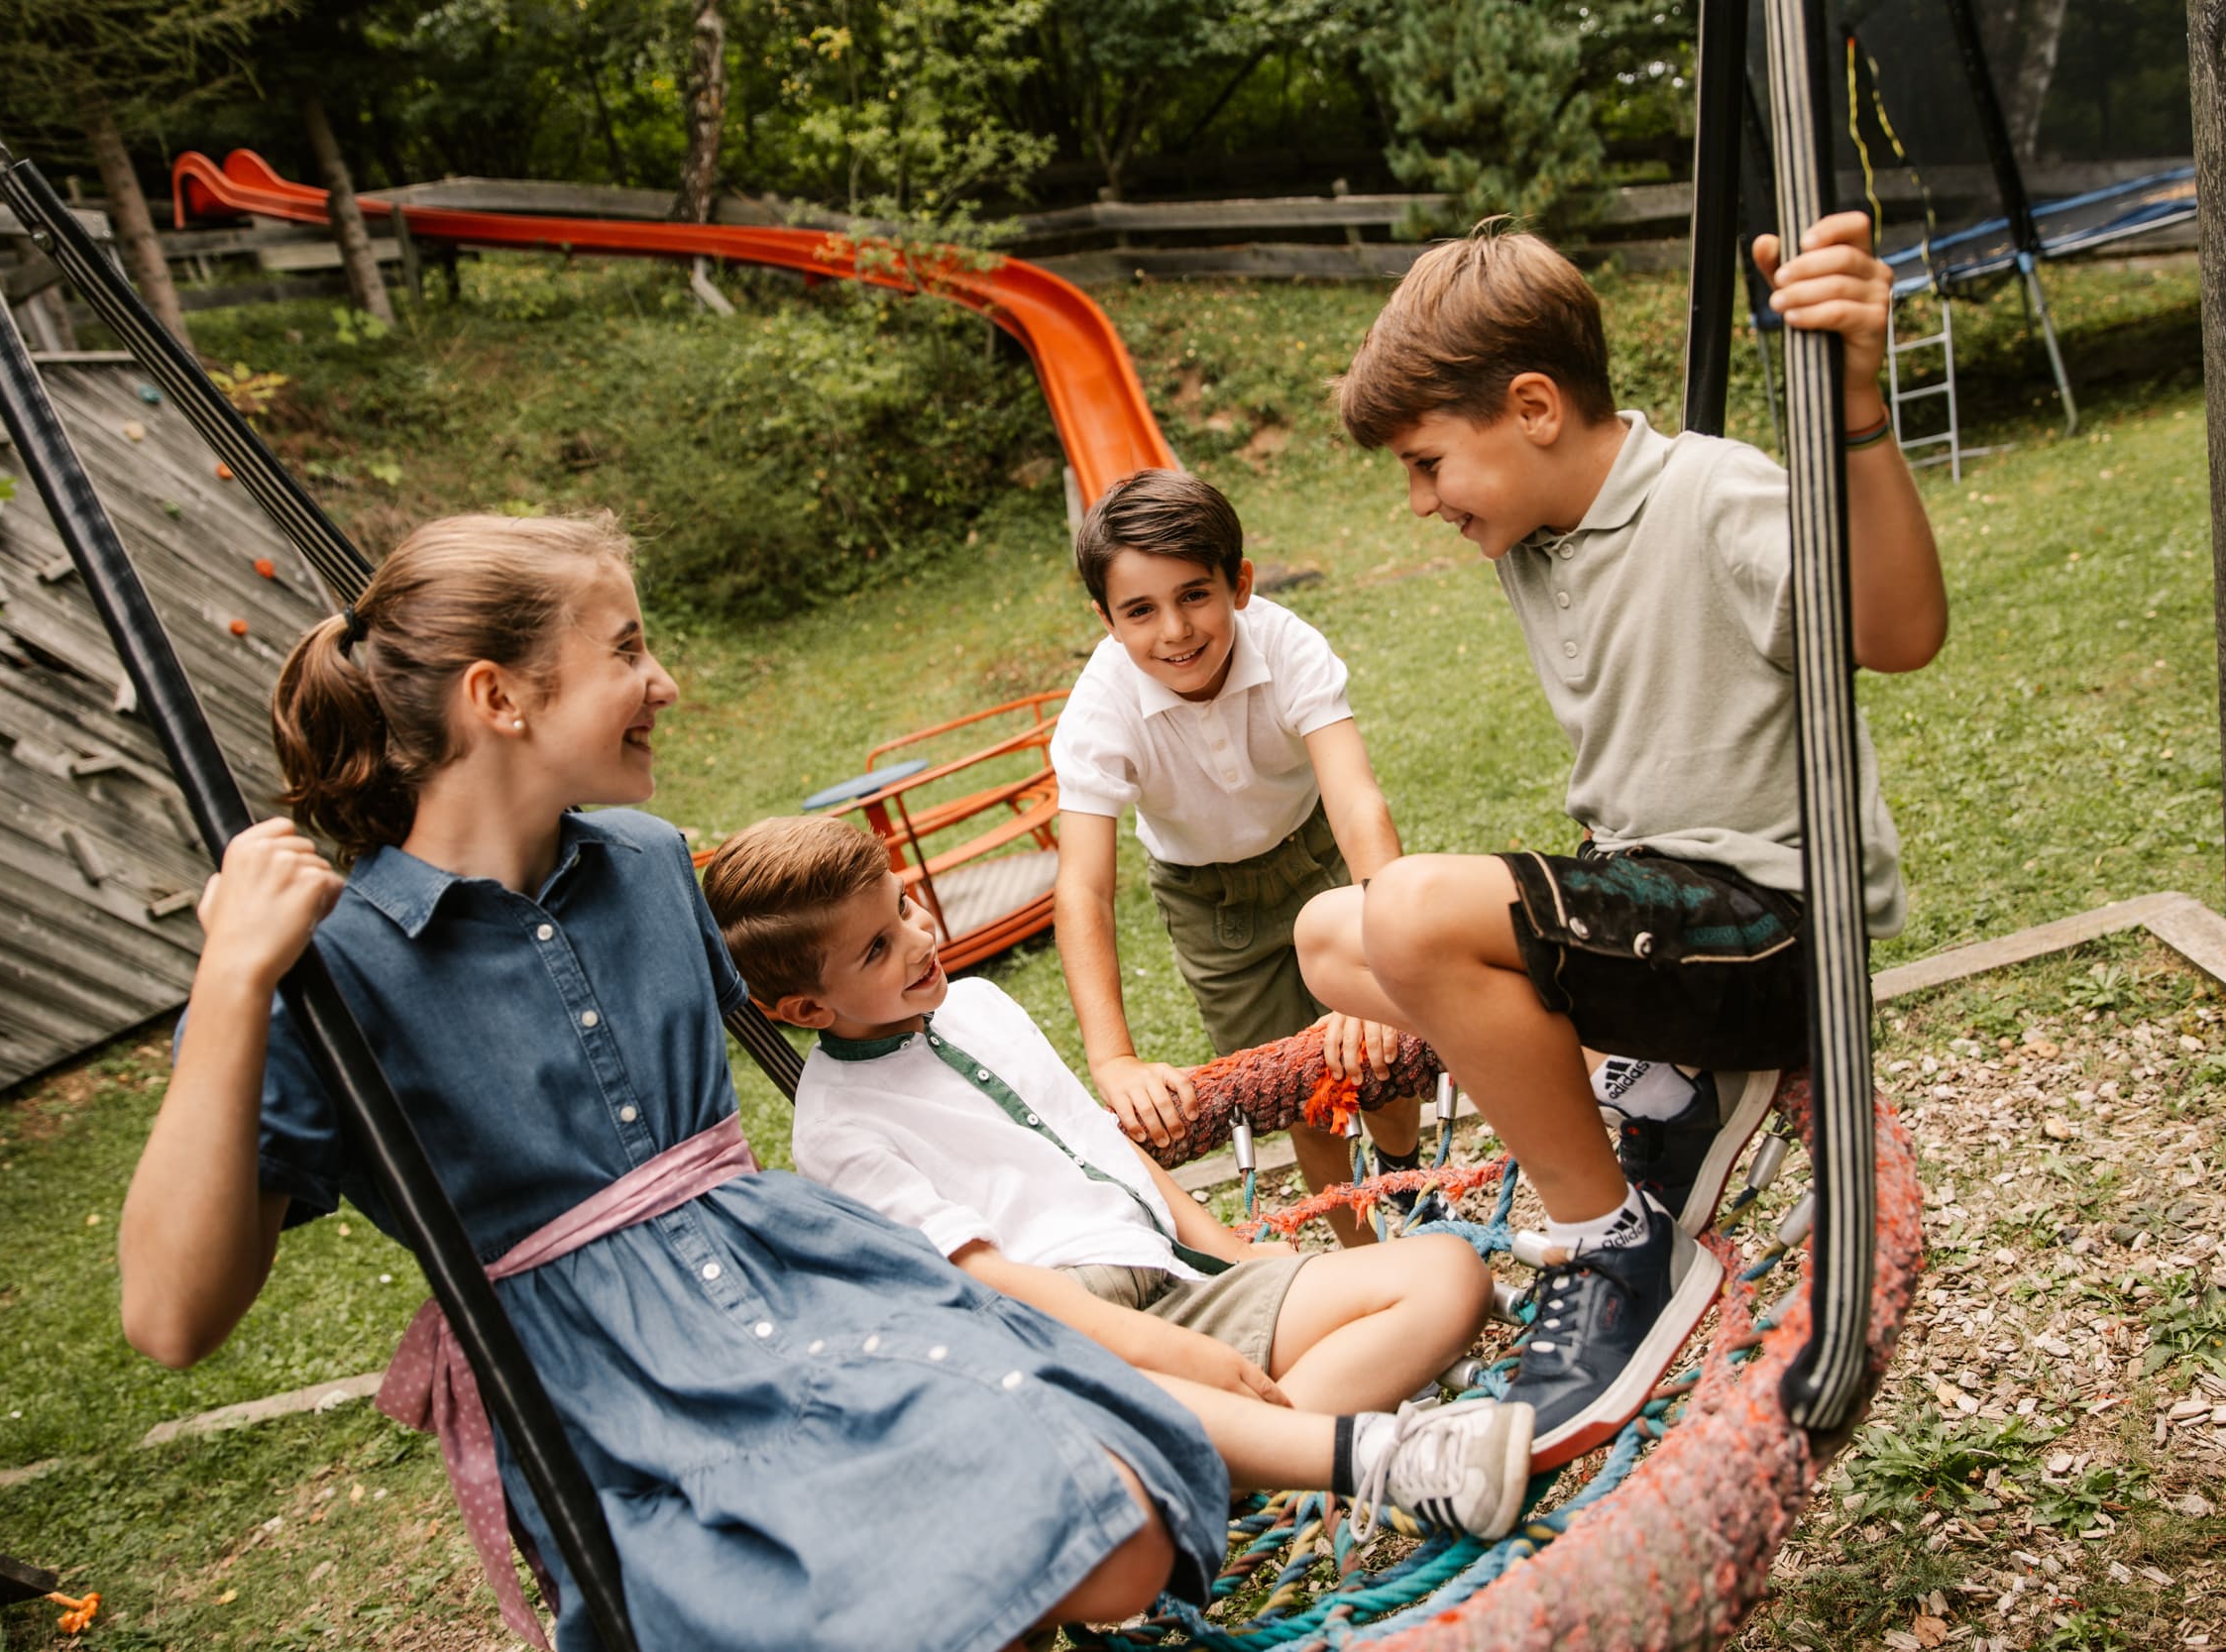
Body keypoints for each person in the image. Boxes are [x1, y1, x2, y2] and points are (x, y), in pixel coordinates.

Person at [115, 513, 1524, 1652]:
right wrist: (233, 984)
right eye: (626, 648)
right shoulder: (330, 965)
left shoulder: (650, 863)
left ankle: (1328, 1452)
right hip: (613, 1380)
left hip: (801, 1283)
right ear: (499, 697)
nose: (662, 679)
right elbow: (174, 1314)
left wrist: (1050, 1113)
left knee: (1123, 1532)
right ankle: (1348, 1452)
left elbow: (839, 988)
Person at [1294, 214, 1948, 1475]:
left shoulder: (1716, 493)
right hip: (1664, 908)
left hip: (1770, 927)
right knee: (1333, 932)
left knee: (1416, 911)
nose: (1421, 502)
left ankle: (1616, 1244)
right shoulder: (1535, 531)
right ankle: (1649, 1078)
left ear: (1533, 406)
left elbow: (1901, 627)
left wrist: (1856, 408)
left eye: (1429, 463)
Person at [703, 816, 1519, 1458]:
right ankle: (1275, 1444)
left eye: (905, 906)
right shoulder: (837, 1126)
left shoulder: (979, 1004)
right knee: (1352, 1322)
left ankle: (1247, 1448)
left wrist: (1230, 1252)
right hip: (1075, 1334)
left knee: (1449, 1272)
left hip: (1170, 1274)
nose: (917, 939)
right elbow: (990, 1281)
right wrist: (1176, 1351)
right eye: (878, 947)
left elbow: (1100, 1141)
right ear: (807, 1010)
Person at [1050, 469, 1425, 1248]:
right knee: (1301, 1092)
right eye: (1140, 610)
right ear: (1107, 620)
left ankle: (1411, 1176)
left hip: (1317, 855)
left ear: (1240, 584)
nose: (1176, 630)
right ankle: (1366, 1256)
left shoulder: (1287, 644)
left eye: (1194, 594)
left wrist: (1384, 941)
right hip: (1208, 904)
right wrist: (1113, 1056)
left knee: (1383, 1052)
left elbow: (1356, 800)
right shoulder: (1099, 710)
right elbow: (1085, 888)